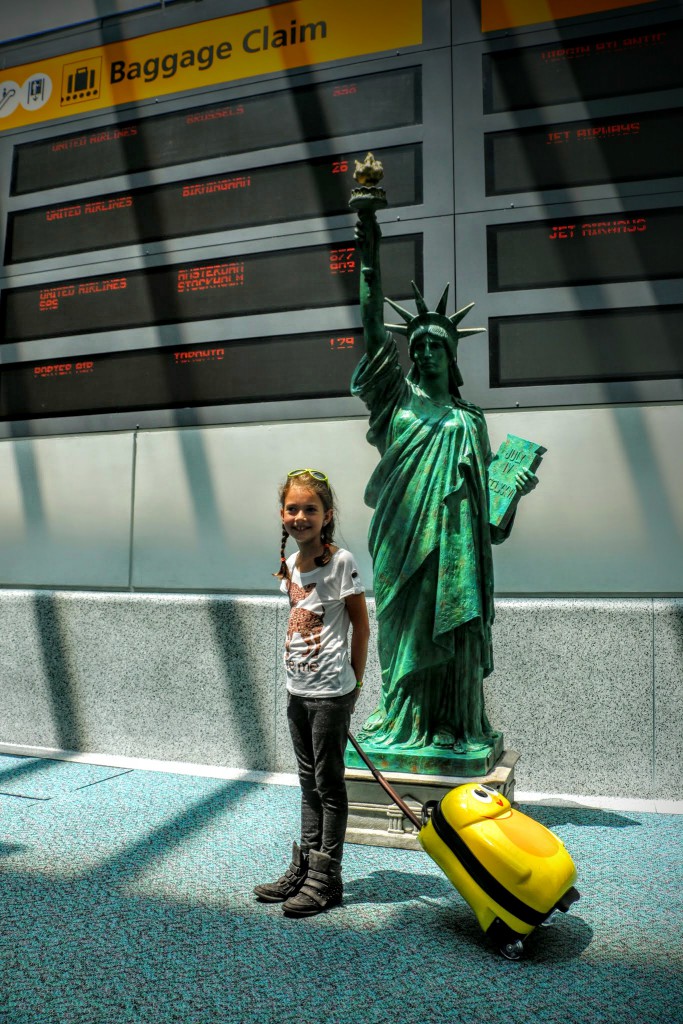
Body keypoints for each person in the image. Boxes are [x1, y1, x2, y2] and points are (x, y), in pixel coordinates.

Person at [351, 212, 535, 755]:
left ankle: (453, 727)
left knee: (453, 634)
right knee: (403, 632)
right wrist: (370, 258)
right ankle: (402, 720)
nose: (425, 351)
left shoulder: (469, 420)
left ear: (451, 354)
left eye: (436, 344)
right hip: (403, 542)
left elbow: (487, 515)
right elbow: (370, 324)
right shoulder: (395, 402)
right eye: (419, 344)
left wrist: (512, 491)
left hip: (455, 549)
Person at [254, 468, 369, 916]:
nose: (300, 516)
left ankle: (326, 878)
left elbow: (361, 624)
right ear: (282, 514)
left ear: (327, 516)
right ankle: (304, 868)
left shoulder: (341, 562)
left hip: (331, 693)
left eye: (310, 509)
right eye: (292, 508)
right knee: (307, 783)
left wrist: (355, 682)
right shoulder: (292, 566)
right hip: (297, 689)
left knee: (328, 783)